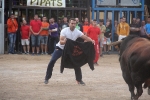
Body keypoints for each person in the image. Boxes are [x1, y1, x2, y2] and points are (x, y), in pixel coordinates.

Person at [44, 18, 95, 85]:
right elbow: (61, 41)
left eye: (74, 23)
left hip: (69, 49)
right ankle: (47, 78)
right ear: (69, 24)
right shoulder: (64, 31)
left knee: (76, 63)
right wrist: (65, 41)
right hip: (60, 48)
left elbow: (85, 37)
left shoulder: (77, 31)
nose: (73, 25)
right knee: (52, 61)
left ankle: (79, 80)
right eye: (72, 23)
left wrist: (91, 40)